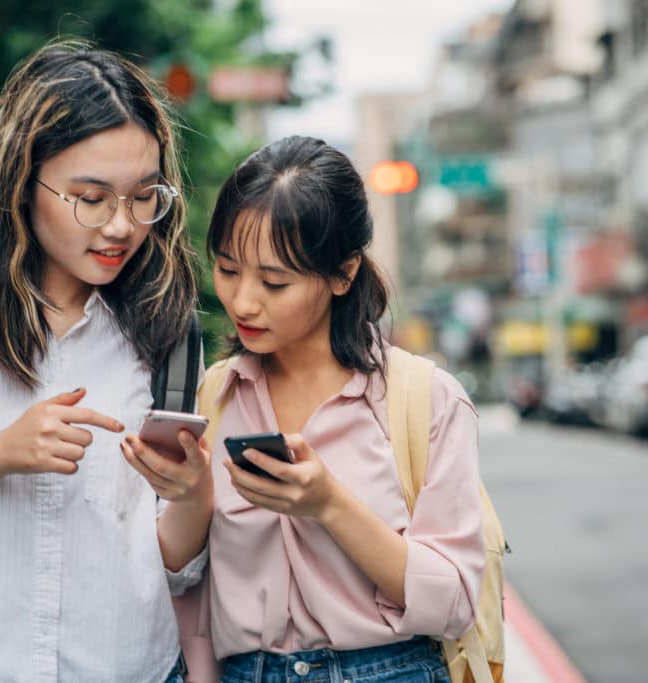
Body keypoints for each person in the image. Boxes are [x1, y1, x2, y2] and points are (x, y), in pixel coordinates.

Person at [0, 41, 214, 682]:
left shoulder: (169, 332)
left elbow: (171, 567)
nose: (121, 226)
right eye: (91, 196)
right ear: (22, 181)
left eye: (144, 197)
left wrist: (193, 498)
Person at [194, 135, 485, 682]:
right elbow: (191, 591)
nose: (242, 301)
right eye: (228, 270)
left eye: (274, 281)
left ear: (343, 273)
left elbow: (455, 602)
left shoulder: (425, 400)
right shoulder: (214, 396)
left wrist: (329, 505)